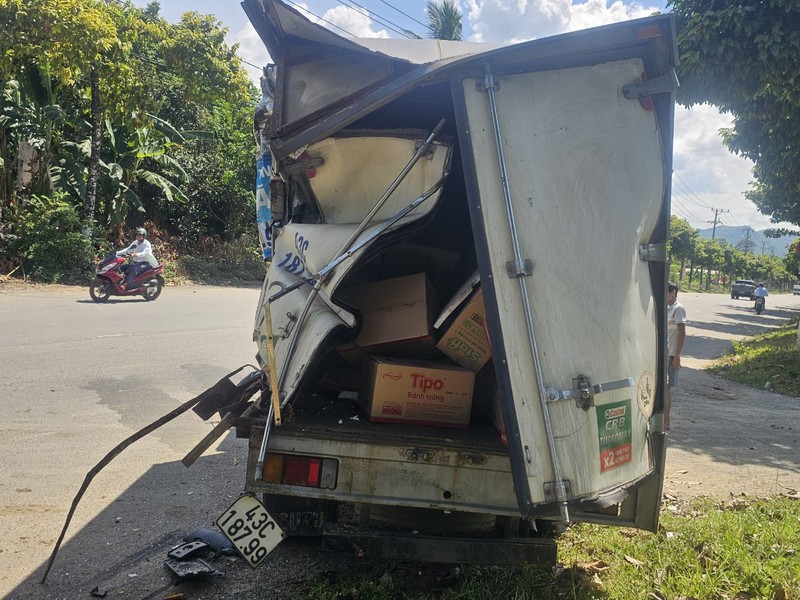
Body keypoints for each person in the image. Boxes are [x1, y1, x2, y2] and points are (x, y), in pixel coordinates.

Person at [666, 282, 687, 431]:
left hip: (671, 354)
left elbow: (682, 333)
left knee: (667, 389)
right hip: (663, 353)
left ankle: (666, 421)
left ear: (673, 292)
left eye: (666, 292)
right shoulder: (666, 308)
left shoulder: (678, 309)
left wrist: (677, 356)